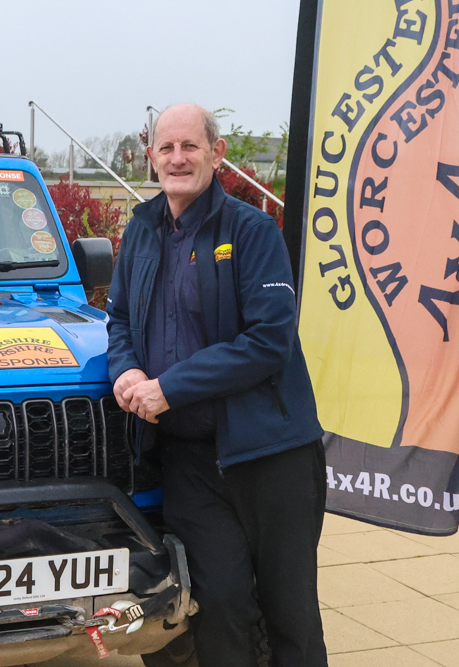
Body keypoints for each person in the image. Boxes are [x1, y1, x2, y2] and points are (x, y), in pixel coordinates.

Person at [106, 104, 327, 666]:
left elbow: (268, 340)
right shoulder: (140, 229)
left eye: (190, 147)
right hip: (190, 465)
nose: (177, 158)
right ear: (150, 155)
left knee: (290, 613)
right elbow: (121, 321)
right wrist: (126, 370)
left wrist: (168, 388)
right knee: (220, 605)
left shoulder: (252, 231)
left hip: (271, 456)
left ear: (216, 153)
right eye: (166, 148)